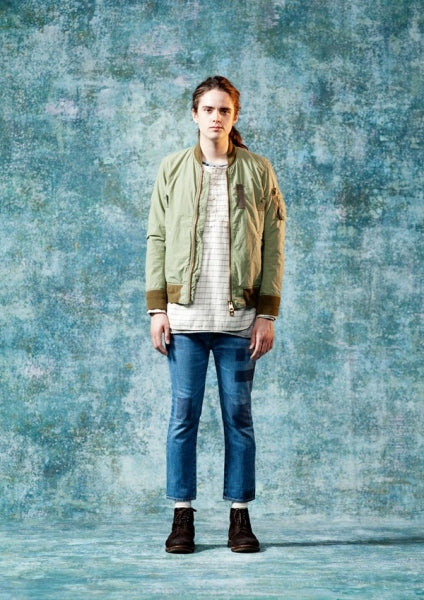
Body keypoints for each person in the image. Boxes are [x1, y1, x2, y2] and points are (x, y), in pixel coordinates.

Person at [146, 75, 286, 553]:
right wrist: (157, 309)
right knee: (183, 414)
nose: (216, 117)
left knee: (239, 416)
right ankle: (181, 516)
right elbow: (157, 238)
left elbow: (273, 244)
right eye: (208, 109)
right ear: (194, 115)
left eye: (224, 110)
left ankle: (239, 517)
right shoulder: (172, 169)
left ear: (235, 116)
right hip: (184, 321)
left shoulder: (259, 170)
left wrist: (267, 313)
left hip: (239, 321)